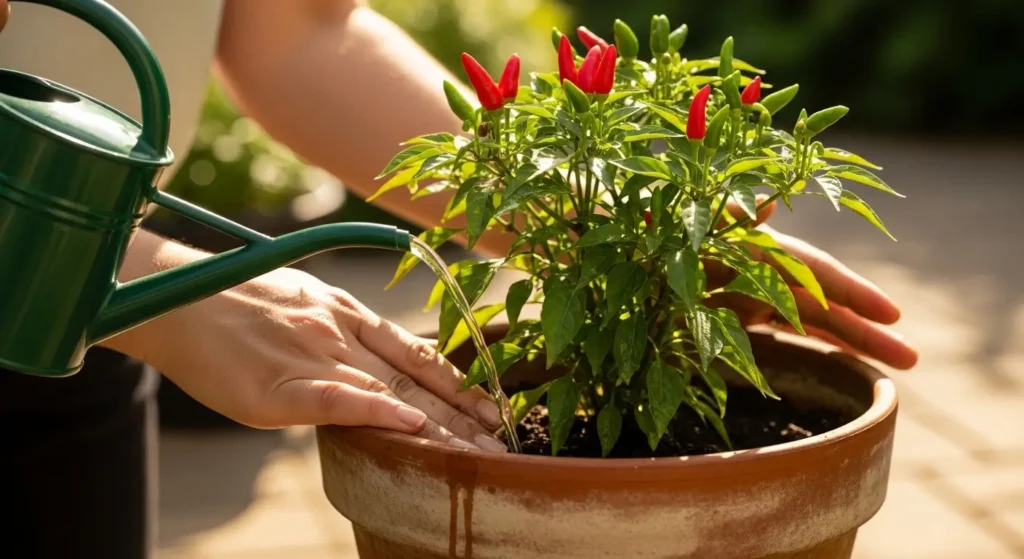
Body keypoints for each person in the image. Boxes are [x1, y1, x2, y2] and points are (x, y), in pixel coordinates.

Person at [0, 1, 918, 557]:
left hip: (80, 335)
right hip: (88, 292)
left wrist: (611, 228)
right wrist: (151, 280)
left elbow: (299, 34)